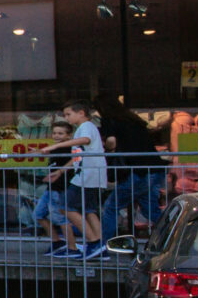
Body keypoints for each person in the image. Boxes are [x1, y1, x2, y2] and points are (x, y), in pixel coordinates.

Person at [44, 101, 108, 259]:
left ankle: (93, 242)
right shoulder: (85, 127)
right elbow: (78, 155)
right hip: (91, 173)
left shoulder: (85, 127)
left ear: (81, 113)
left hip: (87, 174)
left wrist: (56, 146)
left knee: (66, 206)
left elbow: (84, 141)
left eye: (68, 114)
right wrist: (60, 171)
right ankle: (100, 245)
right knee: (89, 209)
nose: (67, 118)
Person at [98, 95, 165, 244]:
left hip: (136, 171)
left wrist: (107, 150)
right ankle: (172, 238)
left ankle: (103, 245)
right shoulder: (134, 120)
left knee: (111, 207)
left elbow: (111, 141)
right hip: (154, 168)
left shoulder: (109, 120)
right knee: (150, 208)